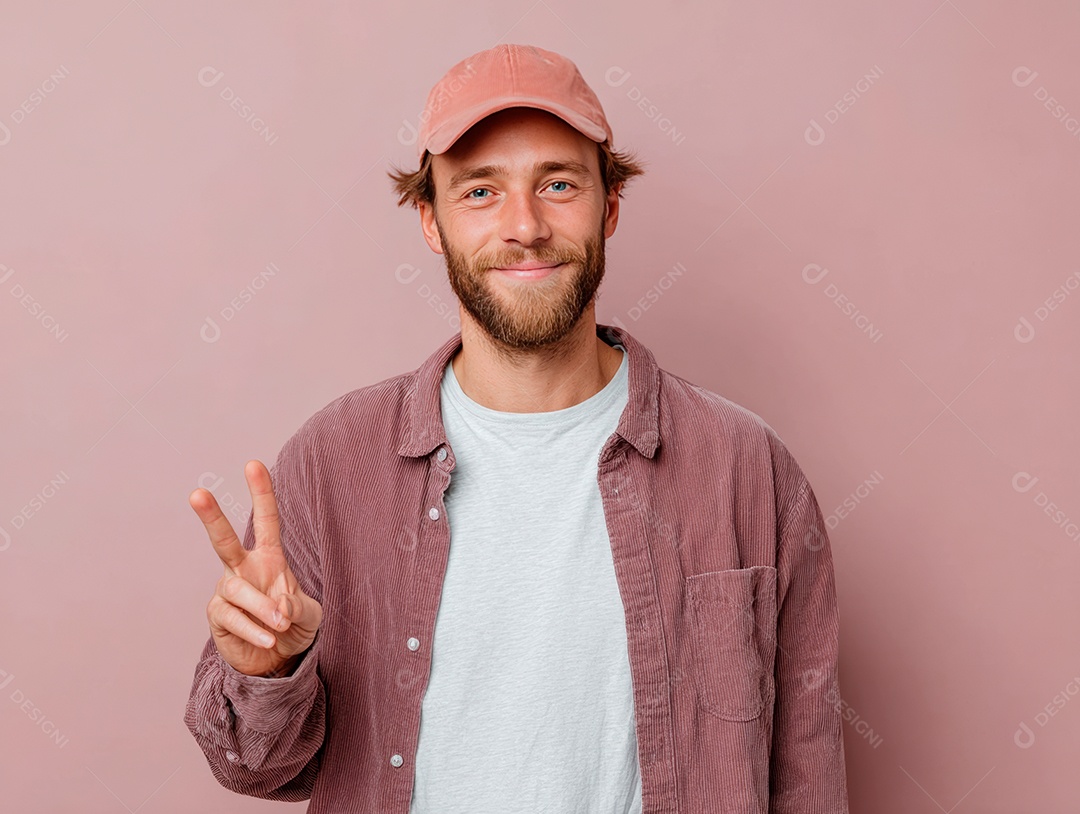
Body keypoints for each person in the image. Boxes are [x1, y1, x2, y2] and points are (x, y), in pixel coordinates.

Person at [184, 43, 850, 814]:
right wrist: (268, 671)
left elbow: (808, 775)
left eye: (558, 184)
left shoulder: (746, 468)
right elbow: (257, 768)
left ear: (610, 206)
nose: (524, 226)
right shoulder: (331, 463)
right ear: (431, 222)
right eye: (480, 192)